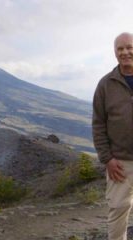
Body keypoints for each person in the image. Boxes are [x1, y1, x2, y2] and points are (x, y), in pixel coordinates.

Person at [93, 32, 133, 240]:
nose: (125, 52)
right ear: (115, 53)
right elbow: (98, 123)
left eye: (129, 47)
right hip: (120, 163)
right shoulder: (105, 85)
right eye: (120, 49)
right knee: (118, 209)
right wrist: (107, 158)